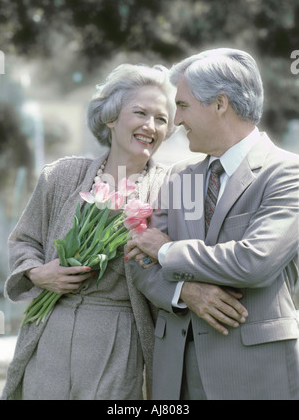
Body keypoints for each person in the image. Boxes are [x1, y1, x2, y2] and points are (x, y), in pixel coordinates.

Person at [125, 48, 299, 400]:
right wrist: (184, 293)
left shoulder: (287, 173)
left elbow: (254, 262)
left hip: (254, 375)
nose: (176, 122)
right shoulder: (178, 179)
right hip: (175, 379)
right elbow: (140, 263)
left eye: (184, 106)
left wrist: (167, 250)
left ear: (220, 104)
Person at [1, 63, 178, 400]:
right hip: (49, 331)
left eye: (161, 119)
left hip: (119, 341)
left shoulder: (172, 189)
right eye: (139, 112)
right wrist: (38, 273)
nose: (150, 126)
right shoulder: (62, 176)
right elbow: (24, 240)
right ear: (111, 117)